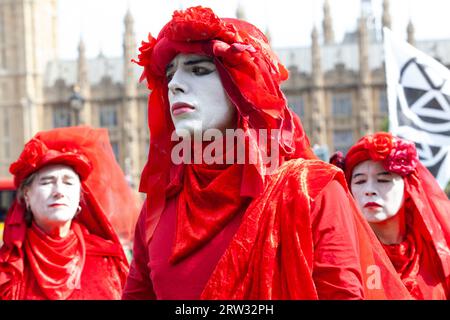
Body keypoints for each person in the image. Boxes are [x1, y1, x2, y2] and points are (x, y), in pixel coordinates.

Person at [123, 6, 410, 300]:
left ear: (245, 85)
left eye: (199, 70)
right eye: (169, 73)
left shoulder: (310, 192)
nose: (175, 85)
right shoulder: (158, 208)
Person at [0, 126, 130, 300]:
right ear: (27, 195)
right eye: (47, 182)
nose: (59, 191)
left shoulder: (108, 260)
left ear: (79, 197)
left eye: (68, 183)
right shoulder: (9, 269)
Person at [332, 132, 450, 299]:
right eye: (359, 181)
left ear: (408, 187)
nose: (369, 190)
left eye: (383, 180)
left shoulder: (437, 255)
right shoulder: (341, 257)